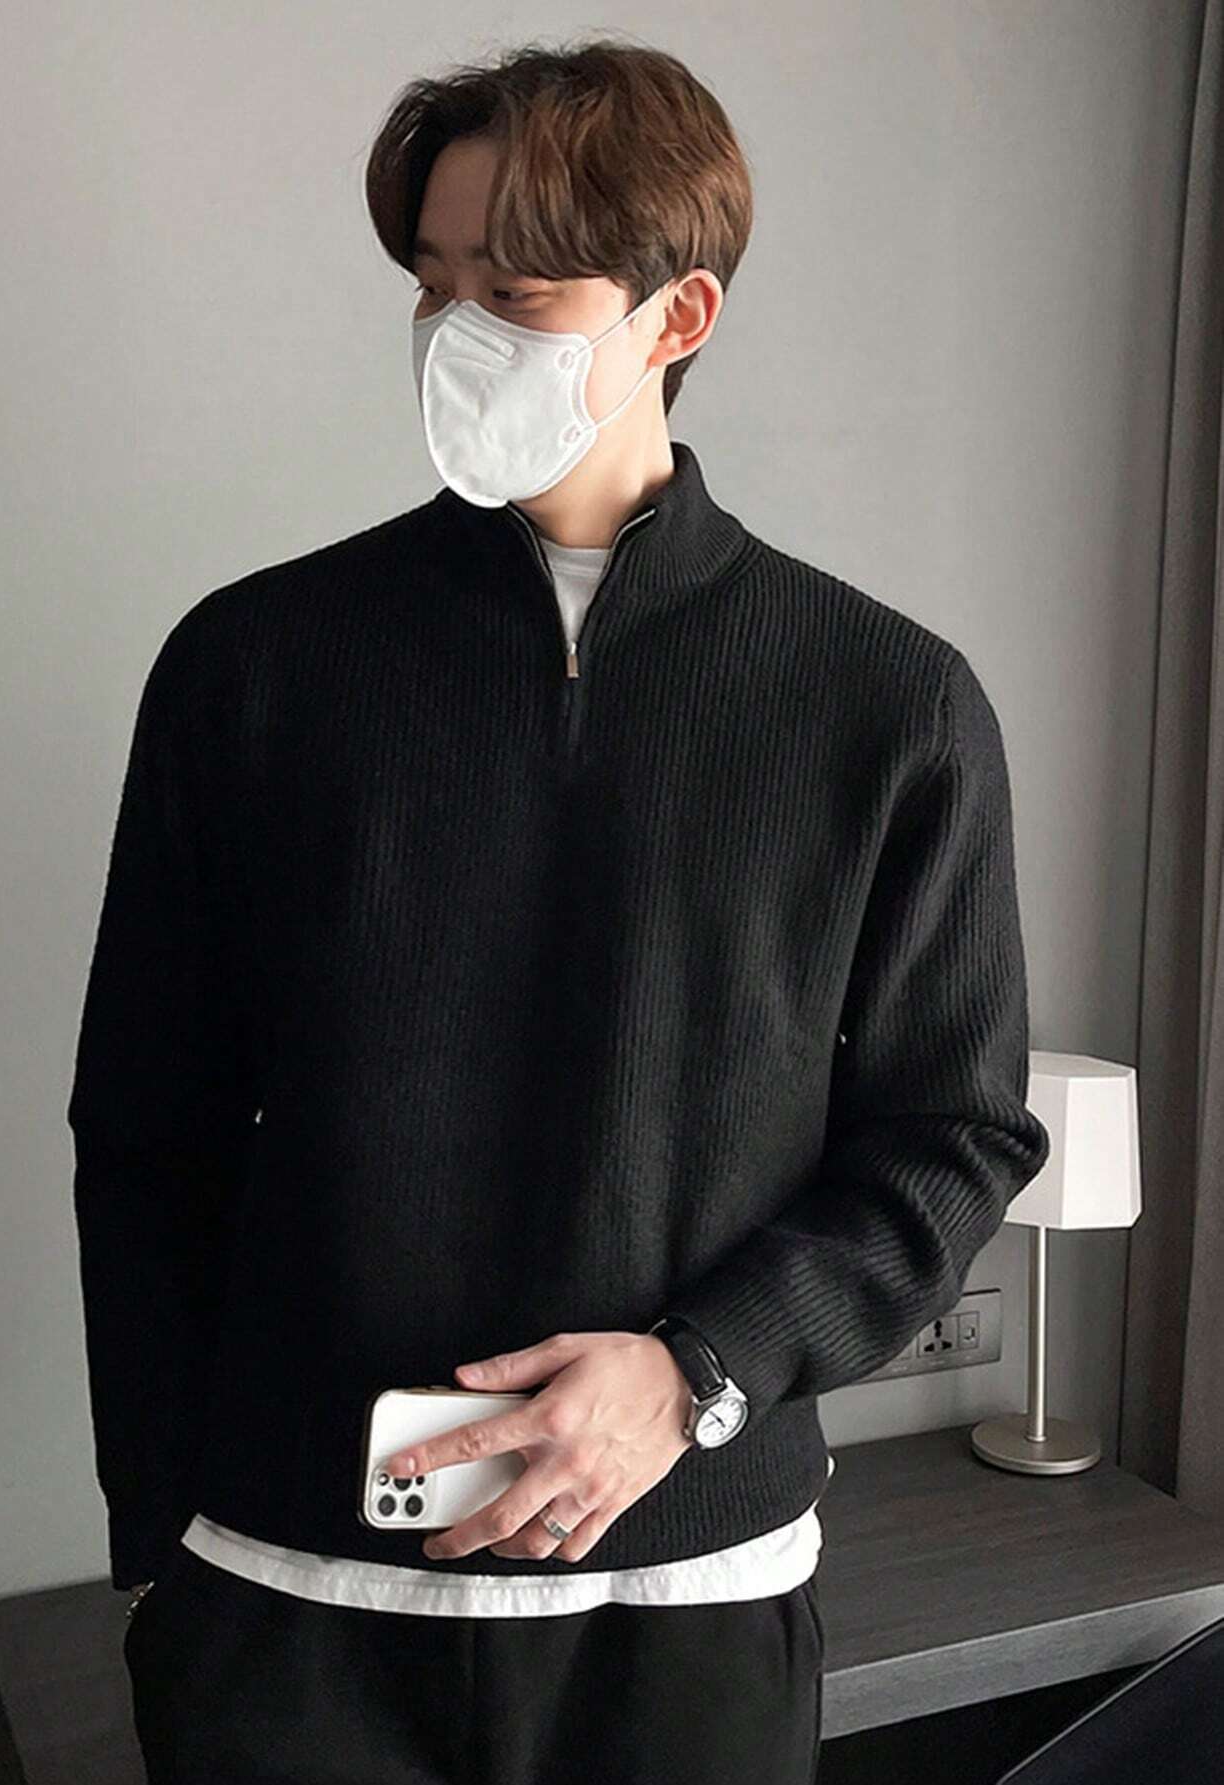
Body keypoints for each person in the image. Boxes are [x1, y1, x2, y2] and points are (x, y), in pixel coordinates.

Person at [67, 35, 1049, 1785]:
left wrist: (698, 1371)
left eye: (514, 292)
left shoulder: (885, 702)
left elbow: (953, 1137)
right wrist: (158, 1540)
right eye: (431, 283)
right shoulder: (255, 665)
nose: (456, 332)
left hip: (691, 1605)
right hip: (286, 1599)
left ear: (680, 316)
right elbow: (146, 1128)